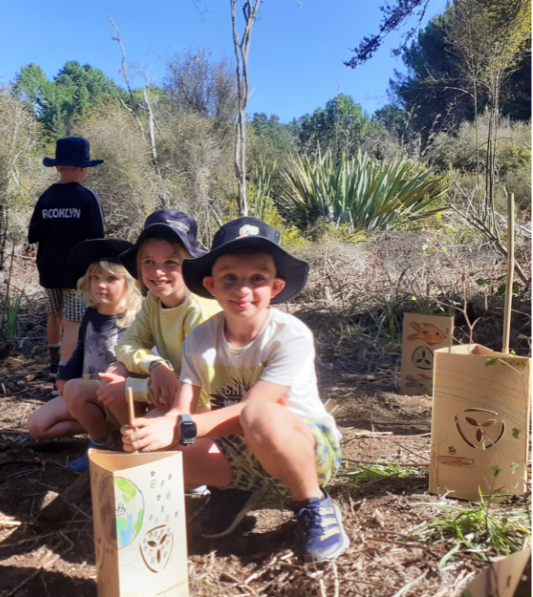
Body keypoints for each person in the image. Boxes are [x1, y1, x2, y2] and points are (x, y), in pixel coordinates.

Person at [120, 217, 348, 563]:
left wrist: (178, 426)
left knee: (259, 415)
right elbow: (183, 410)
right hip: (238, 446)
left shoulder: (290, 335)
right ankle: (233, 489)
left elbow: (251, 411)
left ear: (275, 287)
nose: (242, 289)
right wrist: (152, 430)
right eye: (229, 278)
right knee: (159, 446)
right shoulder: (200, 338)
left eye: (257, 279)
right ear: (211, 285)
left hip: (307, 450)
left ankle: (313, 502)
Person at [27, 238, 141, 471]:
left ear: (129, 281)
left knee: (76, 390)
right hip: (88, 394)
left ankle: (102, 446)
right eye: (95, 278)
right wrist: (66, 375)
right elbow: (83, 347)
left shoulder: (138, 317)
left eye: (111, 279)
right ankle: (105, 435)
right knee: (38, 426)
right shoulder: (91, 312)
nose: (101, 285)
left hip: (122, 399)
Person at [97, 209, 221, 422]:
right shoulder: (154, 300)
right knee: (116, 370)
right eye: (149, 262)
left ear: (189, 264)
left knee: (151, 417)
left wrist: (134, 389)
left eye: (170, 262)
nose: (157, 272)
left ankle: (146, 435)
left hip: (207, 403)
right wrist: (154, 364)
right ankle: (130, 435)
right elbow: (128, 343)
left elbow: (203, 389)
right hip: (176, 388)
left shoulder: (199, 310)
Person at [28, 137, 105, 383]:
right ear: (83, 168)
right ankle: (63, 376)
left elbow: (33, 235)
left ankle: (53, 364)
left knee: (55, 315)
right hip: (76, 271)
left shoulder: (46, 197)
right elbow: (98, 238)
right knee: (73, 322)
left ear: (57, 168)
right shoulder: (87, 197)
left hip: (48, 267)